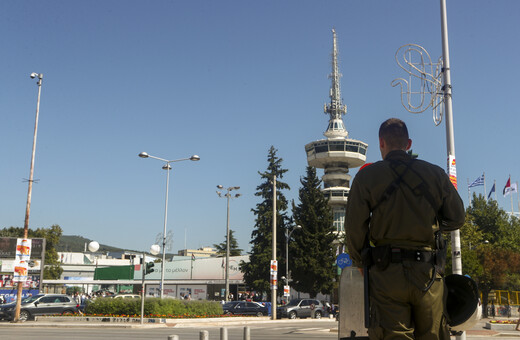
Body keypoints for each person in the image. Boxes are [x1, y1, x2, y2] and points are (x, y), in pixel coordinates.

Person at [345, 118, 465, 340]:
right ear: (408, 144)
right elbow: (457, 217)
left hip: (386, 274)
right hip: (428, 275)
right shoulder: (436, 174)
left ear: (381, 143)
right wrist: (434, 225)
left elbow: (353, 227)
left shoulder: (367, 177)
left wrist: (361, 262)